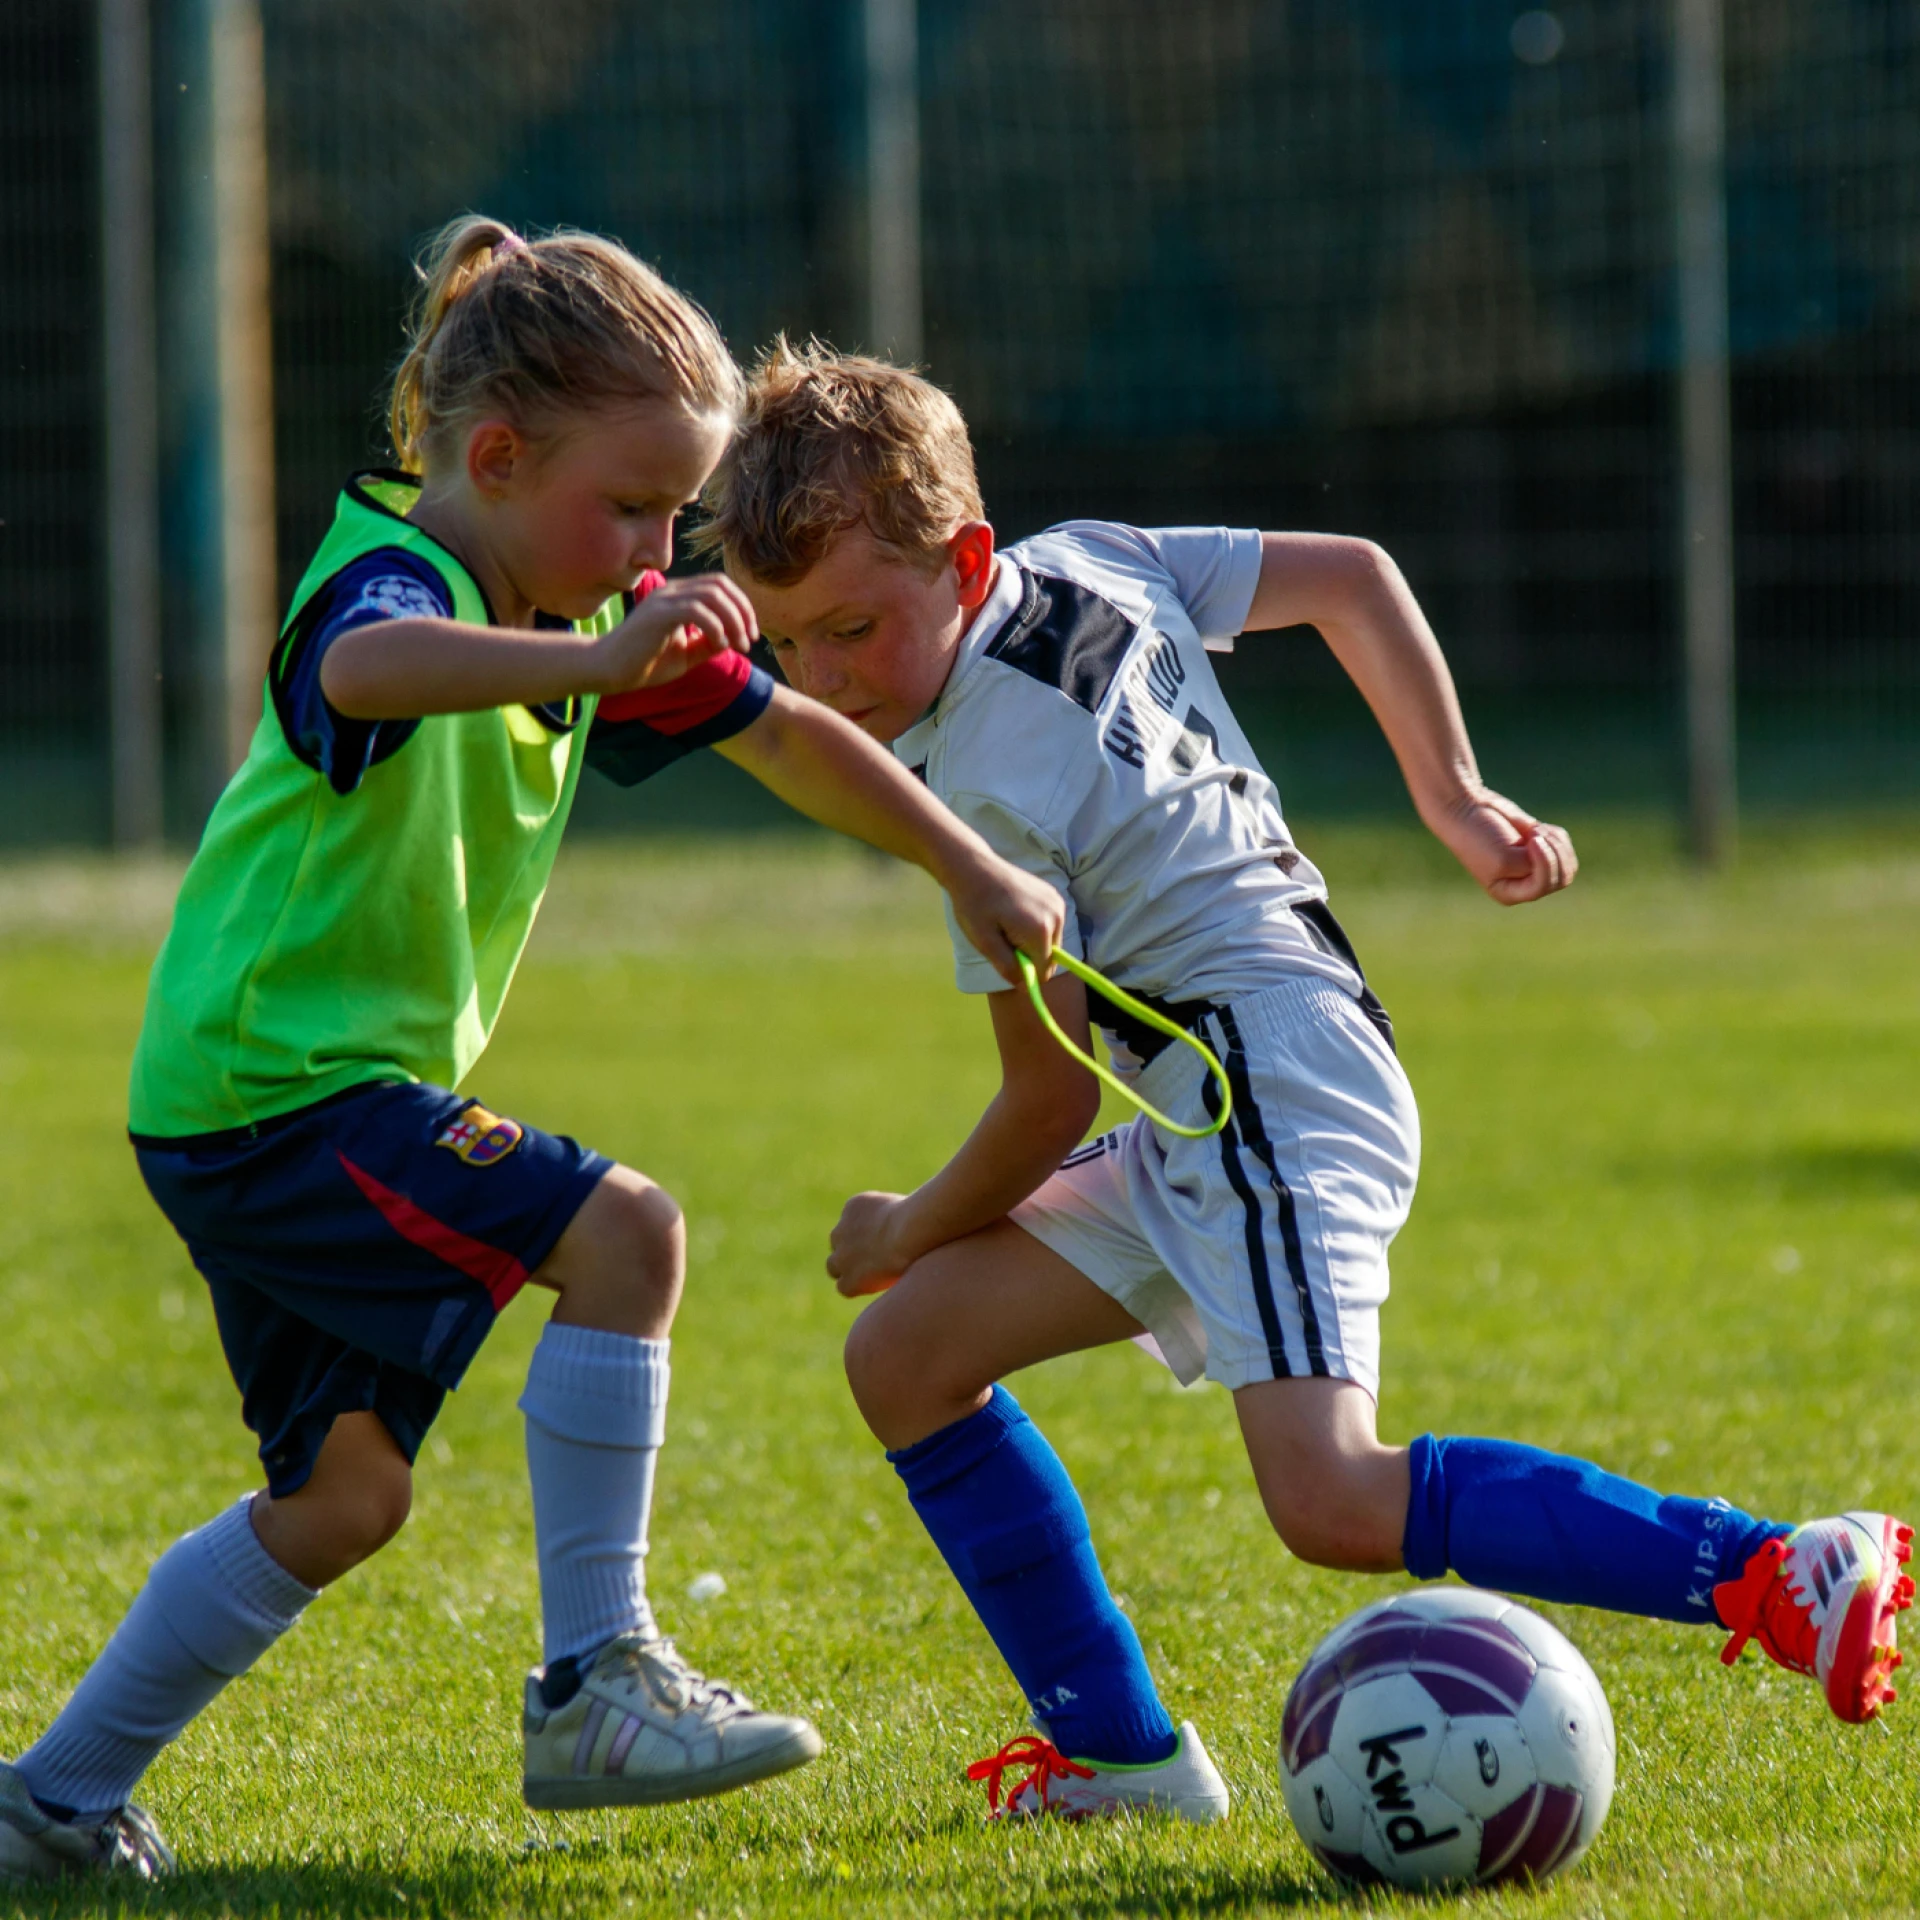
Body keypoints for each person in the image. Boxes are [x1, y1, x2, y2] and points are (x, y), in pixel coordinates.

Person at [697, 339, 1914, 1824]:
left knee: (1330, 1495)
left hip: (1256, 1079)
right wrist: (1450, 793)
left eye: (852, 630)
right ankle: (1124, 1758)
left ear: (961, 561)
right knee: (907, 1357)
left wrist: (906, 1222)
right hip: (1238, 1075)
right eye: (788, 645)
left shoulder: (994, 792)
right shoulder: (1088, 558)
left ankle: (1778, 1568)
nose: (823, 681)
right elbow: (1351, 578)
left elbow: (1045, 1103)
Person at [0, 229, 1063, 1883]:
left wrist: (964, 861)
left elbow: (785, 733)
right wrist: (596, 660)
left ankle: (47, 1804)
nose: (652, 553)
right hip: (278, 1092)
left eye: (671, 520)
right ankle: (596, 1684)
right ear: (493, 459)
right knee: (627, 1233)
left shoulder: (573, 610)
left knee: (345, 1502)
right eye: (628, 509)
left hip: (258, 1102)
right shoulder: (400, 581)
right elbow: (357, 669)